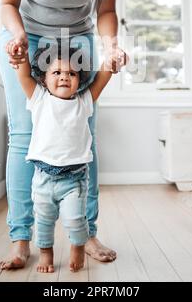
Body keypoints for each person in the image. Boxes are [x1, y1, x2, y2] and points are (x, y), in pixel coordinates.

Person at [0, 0, 128, 270]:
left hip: (78, 37)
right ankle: (22, 239)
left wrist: (110, 47)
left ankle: (85, 232)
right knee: (24, 136)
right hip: (29, 33)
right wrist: (18, 35)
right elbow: (7, 2)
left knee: (82, 136)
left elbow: (106, 12)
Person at [14, 42, 122, 273]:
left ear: (79, 79)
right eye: (57, 72)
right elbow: (23, 75)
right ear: (43, 78)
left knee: (75, 219)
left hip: (74, 179)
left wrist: (110, 61)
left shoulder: (83, 101)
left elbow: (102, 78)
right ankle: (46, 253)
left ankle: (78, 246)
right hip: (42, 178)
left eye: (71, 73)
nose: (64, 77)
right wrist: (20, 55)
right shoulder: (39, 98)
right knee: (43, 221)